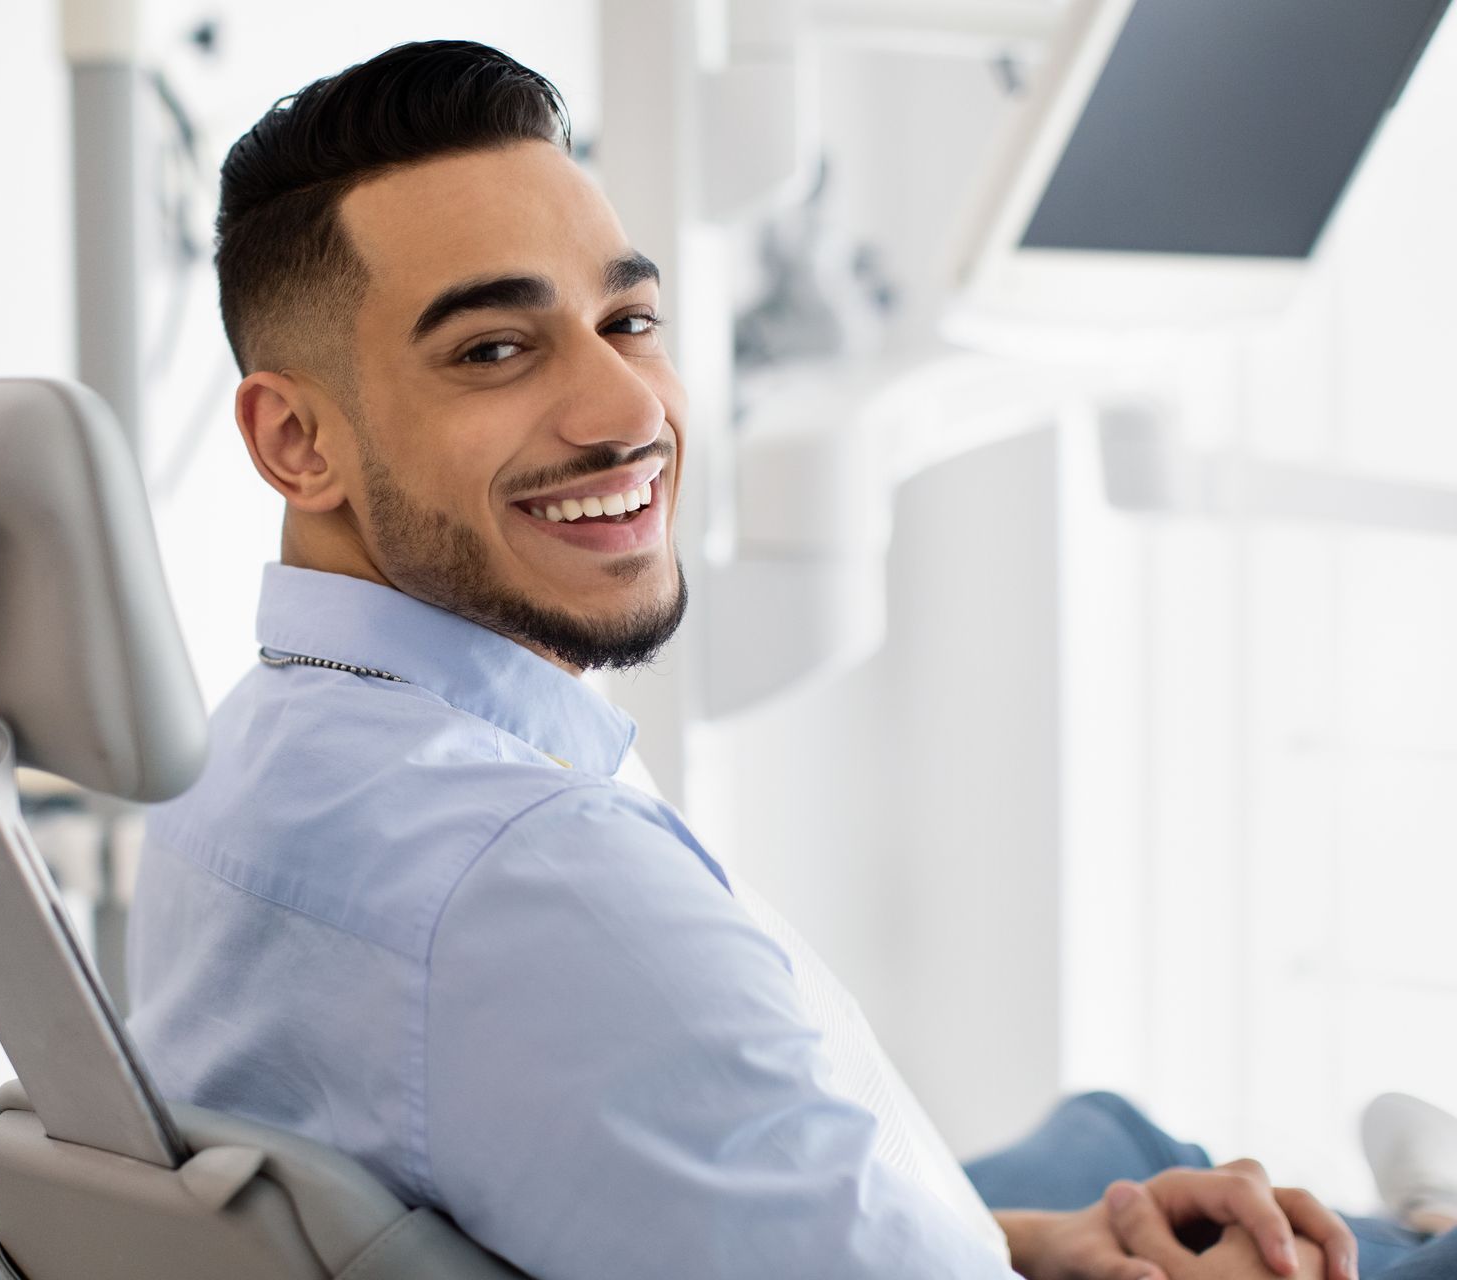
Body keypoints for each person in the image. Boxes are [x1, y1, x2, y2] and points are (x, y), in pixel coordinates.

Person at [124, 39, 1457, 1279]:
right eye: (494, 349)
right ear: (297, 441)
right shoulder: (531, 877)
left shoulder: (237, 772)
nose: (627, 411)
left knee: (1119, 1145)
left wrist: (1044, 1247)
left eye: (628, 321)